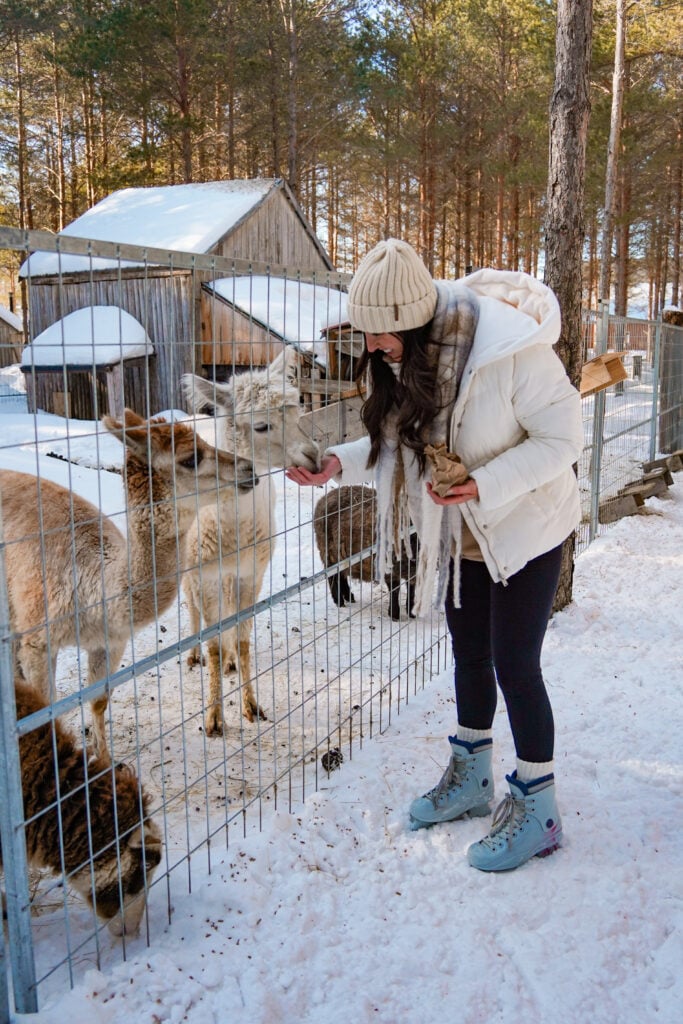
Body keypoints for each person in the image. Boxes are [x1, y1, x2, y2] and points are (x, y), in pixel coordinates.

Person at [286, 238, 584, 872]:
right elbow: (396, 445)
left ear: (413, 319)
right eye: (366, 333)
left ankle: (539, 808)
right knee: (469, 652)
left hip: (525, 524)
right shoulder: (411, 358)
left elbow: (563, 438)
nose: (371, 347)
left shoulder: (511, 350)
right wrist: (340, 462)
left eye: (380, 334)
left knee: (514, 664)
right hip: (460, 531)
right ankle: (472, 778)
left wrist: (484, 483)